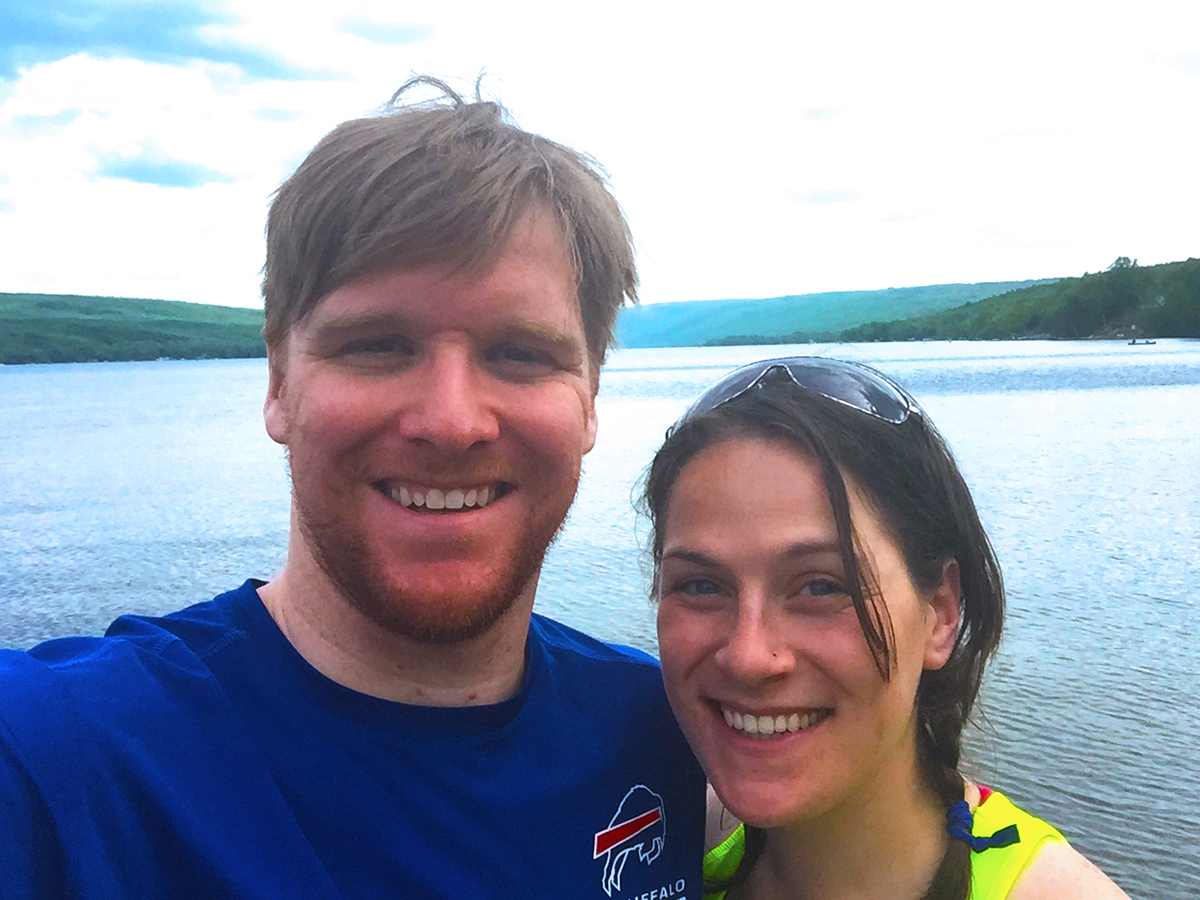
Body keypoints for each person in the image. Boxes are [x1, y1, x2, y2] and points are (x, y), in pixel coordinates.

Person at [0, 77, 705, 898]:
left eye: (519, 354)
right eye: (378, 345)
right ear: (277, 382)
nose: (451, 422)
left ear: (589, 398)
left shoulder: (663, 730)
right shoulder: (64, 757)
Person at [641, 357, 1129, 900]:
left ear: (941, 612)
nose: (749, 655)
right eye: (702, 586)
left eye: (823, 586)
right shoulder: (656, 851)